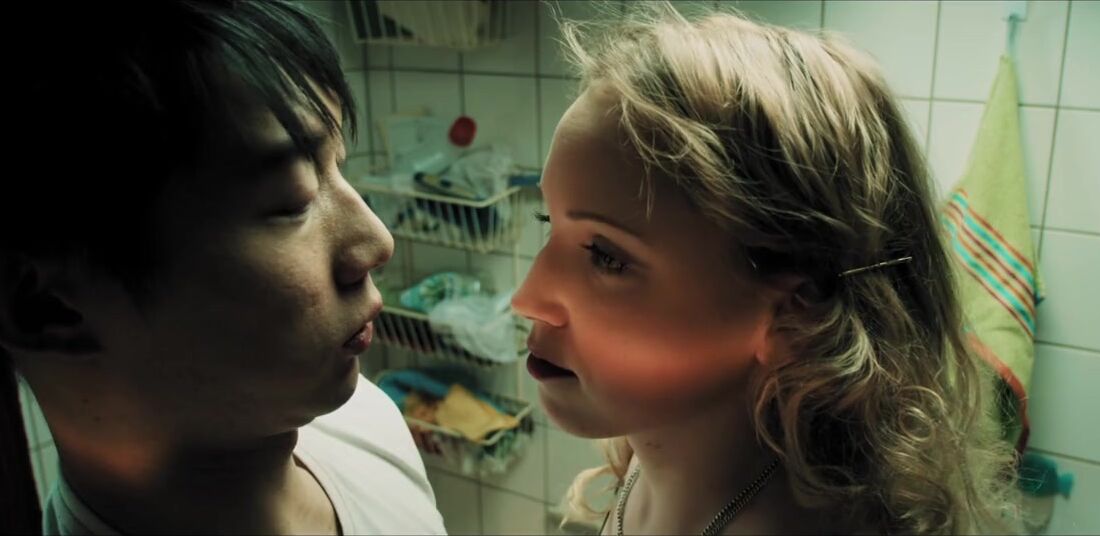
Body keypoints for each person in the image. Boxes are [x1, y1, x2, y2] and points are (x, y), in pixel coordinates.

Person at [511, 3, 1019, 534]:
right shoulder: (663, 457)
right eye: (549, 221)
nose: (526, 297)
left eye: (606, 256)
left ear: (794, 317)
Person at [0, 1, 445, 534]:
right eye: (291, 200)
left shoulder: (363, 420)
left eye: (337, 168)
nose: (376, 242)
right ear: (46, 307)